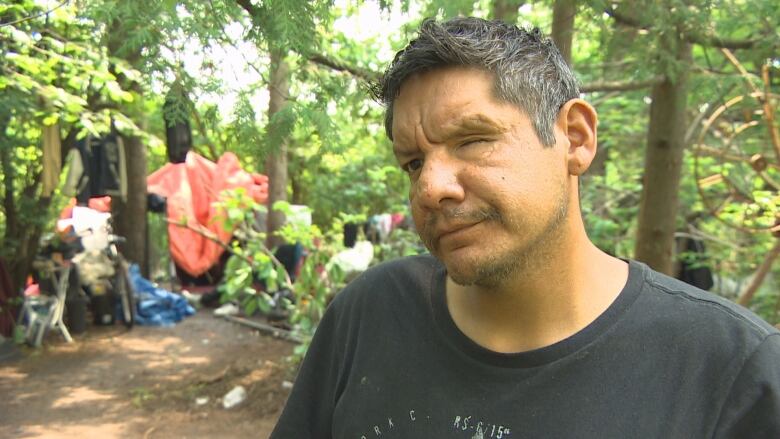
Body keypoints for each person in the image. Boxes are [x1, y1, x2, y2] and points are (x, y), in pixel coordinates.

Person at [271, 17, 780, 438]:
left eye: (472, 140)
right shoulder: (372, 313)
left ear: (575, 139)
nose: (430, 187)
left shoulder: (728, 371)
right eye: (412, 162)